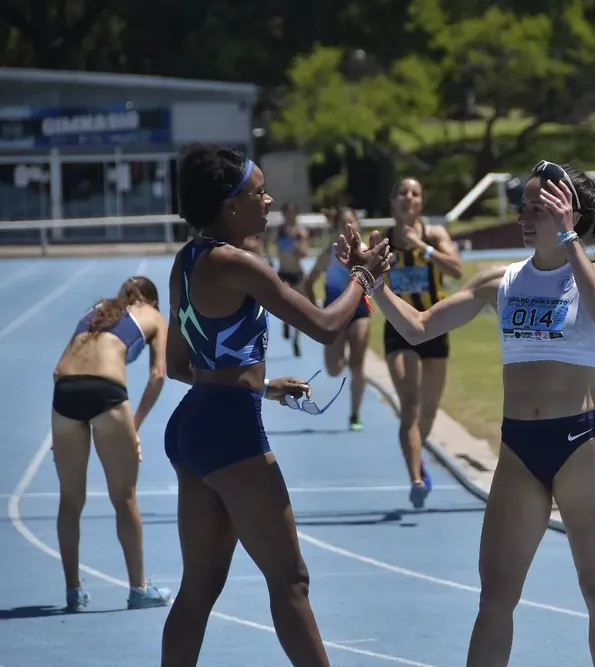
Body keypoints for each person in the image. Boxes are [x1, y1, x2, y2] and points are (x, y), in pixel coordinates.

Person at [365, 160, 595, 667]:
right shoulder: (501, 282)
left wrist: (570, 238)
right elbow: (418, 327)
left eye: (536, 206)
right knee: (495, 597)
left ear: (566, 210)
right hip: (519, 450)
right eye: (521, 205)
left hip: (580, 448)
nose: (523, 216)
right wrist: (375, 285)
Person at [159, 143, 391, 667]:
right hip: (230, 431)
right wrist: (364, 276)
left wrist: (260, 386)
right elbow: (328, 326)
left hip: (193, 427)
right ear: (229, 204)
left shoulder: (186, 261)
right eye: (258, 192)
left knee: (198, 592)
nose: (268, 201)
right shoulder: (241, 265)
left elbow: (179, 365)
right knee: (292, 582)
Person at [50, 276, 173, 612]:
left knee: (70, 499)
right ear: (152, 302)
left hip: (64, 393)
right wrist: (133, 429)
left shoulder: (97, 310)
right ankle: (138, 589)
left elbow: (60, 368)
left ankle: (73, 592)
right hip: (106, 393)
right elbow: (159, 374)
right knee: (125, 498)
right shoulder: (154, 316)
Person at [382, 177, 463, 508]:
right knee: (410, 406)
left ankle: (419, 459)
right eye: (402, 193)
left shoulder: (435, 235)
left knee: (428, 411)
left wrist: (423, 247)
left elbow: (457, 270)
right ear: (393, 201)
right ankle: (415, 477)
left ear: (421, 201)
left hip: (435, 325)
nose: (408, 198)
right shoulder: (384, 240)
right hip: (399, 329)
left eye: (415, 193)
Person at [301, 207, 371, 432]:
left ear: (358, 227)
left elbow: (382, 283)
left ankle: (355, 414)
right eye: (344, 224)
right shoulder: (329, 254)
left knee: (358, 365)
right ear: (339, 228)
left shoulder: (366, 253)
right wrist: (317, 308)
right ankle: (343, 356)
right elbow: (309, 282)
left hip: (360, 314)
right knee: (333, 368)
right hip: (335, 314)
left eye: (353, 224)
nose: (349, 229)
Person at [268, 202, 309, 357]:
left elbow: (304, 253)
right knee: (285, 304)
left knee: (299, 310)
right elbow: (268, 242)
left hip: (297, 273)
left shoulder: (300, 232)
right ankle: (285, 322)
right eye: (287, 213)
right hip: (283, 273)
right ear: (284, 214)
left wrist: (296, 243)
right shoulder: (278, 230)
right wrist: (270, 256)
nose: (290, 216)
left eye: (293, 213)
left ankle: (296, 340)